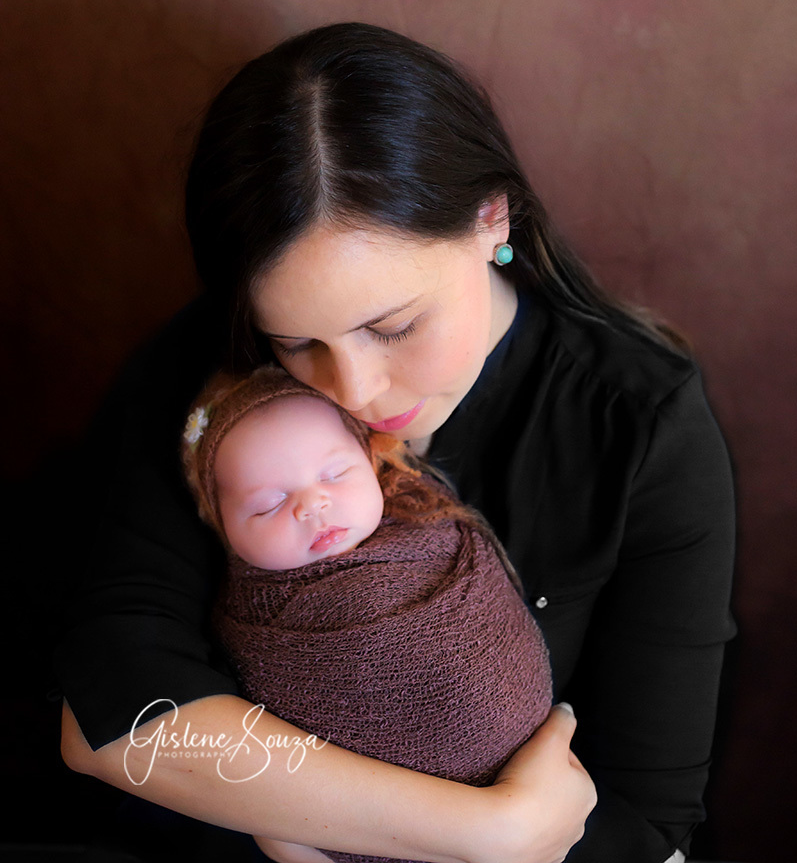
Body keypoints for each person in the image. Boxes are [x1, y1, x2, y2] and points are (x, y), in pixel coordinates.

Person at [56, 21, 735, 863]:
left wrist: (292, 806)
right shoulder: (208, 383)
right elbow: (115, 717)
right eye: (297, 342)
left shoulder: (638, 418)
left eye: (394, 324)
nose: (352, 391)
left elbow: (649, 816)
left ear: (492, 219)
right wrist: (486, 830)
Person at [179, 364, 553, 863]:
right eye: (268, 504)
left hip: (528, 773)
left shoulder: (431, 524)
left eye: (336, 474)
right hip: (375, 826)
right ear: (224, 530)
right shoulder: (246, 619)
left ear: (374, 463)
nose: (313, 505)